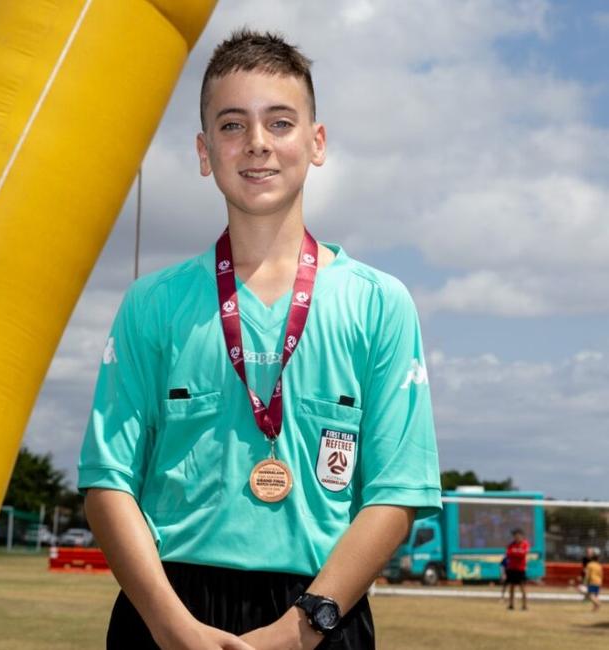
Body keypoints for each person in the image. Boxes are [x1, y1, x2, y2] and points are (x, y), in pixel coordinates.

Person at [78, 29, 441, 649]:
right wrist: (172, 629)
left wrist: (302, 629)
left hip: (322, 609)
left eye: (280, 122)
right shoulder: (152, 304)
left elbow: (396, 494)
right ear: (203, 150)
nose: (257, 145)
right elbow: (107, 483)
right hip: (170, 609)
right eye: (231, 125)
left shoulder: (379, 303)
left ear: (316, 142)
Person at [505, 528, 529, 611]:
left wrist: (515, 553)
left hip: (520, 569)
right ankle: (511, 605)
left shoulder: (525, 544)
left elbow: (523, 554)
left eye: (518, 535)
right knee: (511, 587)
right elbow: (508, 553)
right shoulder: (511, 545)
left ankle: (524, 605)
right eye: (515, 536)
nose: (516, 537)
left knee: (523, 588)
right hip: (512, 568)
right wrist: (517, 552)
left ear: (521, 536)